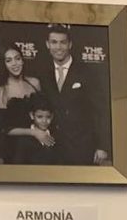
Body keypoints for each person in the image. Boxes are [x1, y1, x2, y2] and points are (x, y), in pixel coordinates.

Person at [38, 24, 111, 166]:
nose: (58, 47)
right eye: (54, 42)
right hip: (53, 148)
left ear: (70, 44)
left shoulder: (87, 72)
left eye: (63, 42)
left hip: (82, 147)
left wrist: (102, 146)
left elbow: (101, 111)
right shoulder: (43, 73)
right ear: (47, 44)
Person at [0, 45, 48, 164]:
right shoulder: (2, 90)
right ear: (4, 64)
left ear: (22, 60)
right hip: (15, 148)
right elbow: (4, 129)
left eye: (17, 58)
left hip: (37, 146)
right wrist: (33, 132)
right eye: (9, 60)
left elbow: (43, 111)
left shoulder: (34, 83)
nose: (15, 64)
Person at [9, 95, 64, 165]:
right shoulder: (23, 140)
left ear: (52, 116)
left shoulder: (56, 136)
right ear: (32, 115)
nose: (44, 121)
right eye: (39, 117)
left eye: (48, 117)